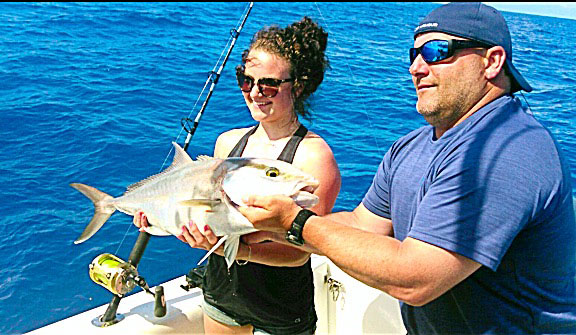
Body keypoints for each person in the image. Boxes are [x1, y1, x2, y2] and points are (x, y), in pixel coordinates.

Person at [238, 3, 576, 334]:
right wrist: (266, 229)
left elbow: (415, 278)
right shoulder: (410, 147)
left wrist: (294, 222)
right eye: (412, 55)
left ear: (492, 62)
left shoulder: (509, 150)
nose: (416, 67)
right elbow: (362, 224)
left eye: (436, 52)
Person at [134, 17, 341, 335]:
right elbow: (204, 212)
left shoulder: (313, 156)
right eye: (246, 81)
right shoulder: (228, 142)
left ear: (297, 86)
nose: (256, 93)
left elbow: (300, 251)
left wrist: (233, 248)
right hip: (221, 294)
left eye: (268, 84)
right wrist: (161, 219)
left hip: (280, 307)